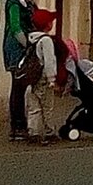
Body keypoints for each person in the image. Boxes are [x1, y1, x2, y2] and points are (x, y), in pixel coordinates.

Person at [2, 0, 37, 141]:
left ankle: (20, 125)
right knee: (18, 86)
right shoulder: (14, 1)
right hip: (16, 47)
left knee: (20, 86)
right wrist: (26, 44)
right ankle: (17, 126)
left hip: (24, 45)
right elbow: (15, 26)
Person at [24, 8, 62, 144]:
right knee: (47, 107)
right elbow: (49, 61)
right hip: (43, 78)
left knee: (33, 107)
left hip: (31, 77)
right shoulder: (46, 40)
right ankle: (49, 131)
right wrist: (52, 79)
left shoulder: (30, 38)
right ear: (47, 24)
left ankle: (33, 132)